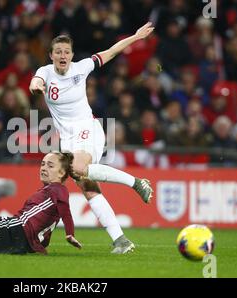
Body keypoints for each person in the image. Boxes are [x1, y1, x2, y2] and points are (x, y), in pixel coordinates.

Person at [29, 22, 155, 254]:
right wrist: (36, 87)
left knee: (77, 167)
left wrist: (136, 37)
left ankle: (136, 183)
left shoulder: (82, 67)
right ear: (51, 55)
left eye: (67, 52)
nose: (63, 55)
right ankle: (120, 240)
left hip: (89, 128)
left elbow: (111, 51)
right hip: (67, 139)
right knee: (86, 187)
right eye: (58, 52)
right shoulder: (45, 72)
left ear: (72, 55)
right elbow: (35, 82)